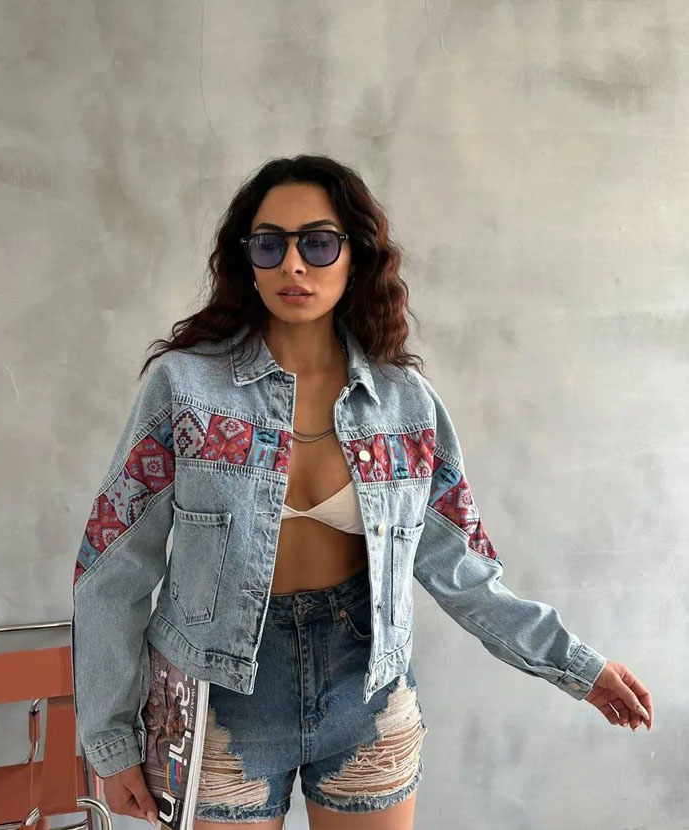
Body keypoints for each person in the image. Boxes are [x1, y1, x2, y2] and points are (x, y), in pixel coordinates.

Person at [71, 155, 653, 829]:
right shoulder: (184, 389)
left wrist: (577, 666)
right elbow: (112, 565)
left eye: (318, 243)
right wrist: (110, 741)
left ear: (356, 256)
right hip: (217, 700)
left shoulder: (405, 405)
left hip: (367, 694)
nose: (294, 265)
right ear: (247, 260)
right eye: (270, 245)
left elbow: (461, 569)